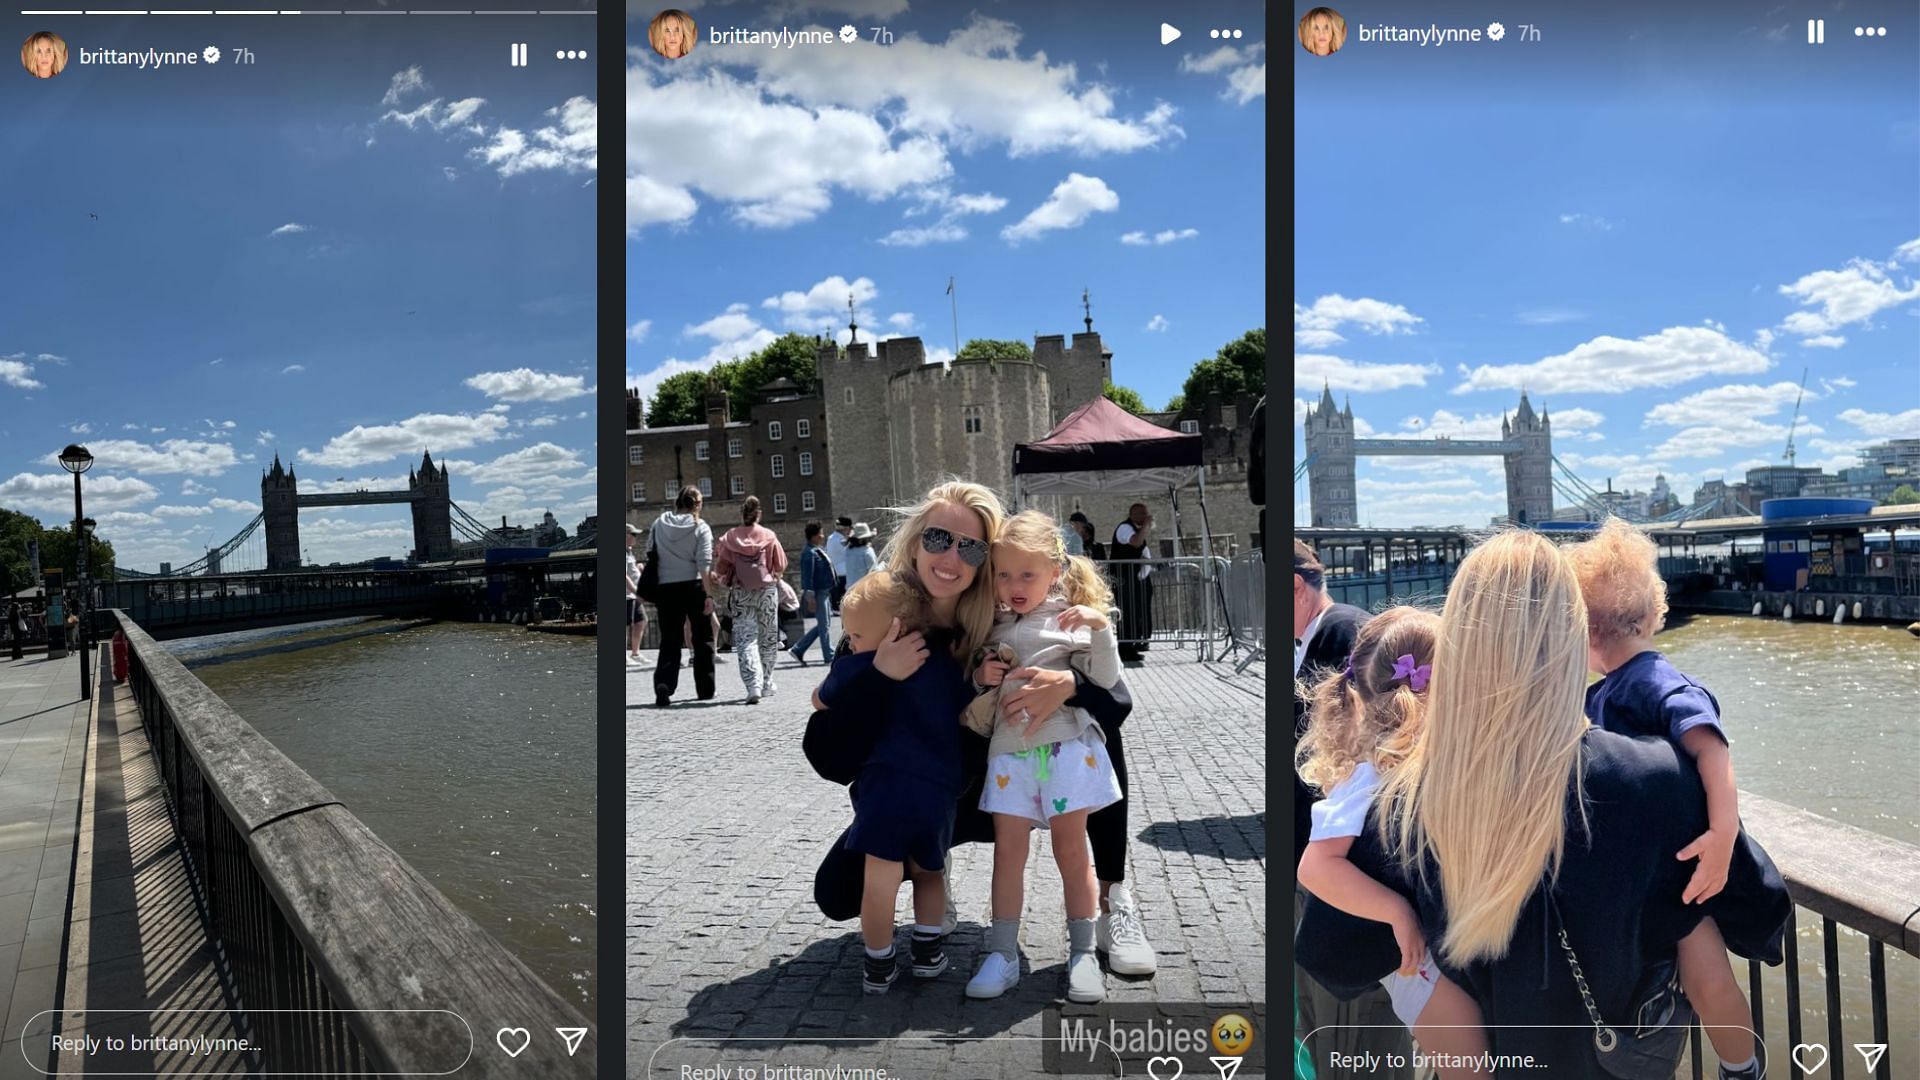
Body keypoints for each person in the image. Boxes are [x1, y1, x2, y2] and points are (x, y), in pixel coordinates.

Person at [1296, 531, 1790, 1079]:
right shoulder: (1654, 777)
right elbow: (1758, 909)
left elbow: (1334, 952)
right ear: (1572, 632)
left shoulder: (1401, 803)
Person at [802, 481, 1156, 978]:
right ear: (915, 541)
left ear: (985, 561)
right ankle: (931, 868)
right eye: (937, 538)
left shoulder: (1003, 619)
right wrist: (879, 677)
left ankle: (1113, 898)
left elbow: (1118, 702)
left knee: (1090, 727)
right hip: (915, 791)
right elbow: (827, 757)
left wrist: (1071, 684)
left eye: (969, 546)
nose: (950, 556)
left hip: (992, 776)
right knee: (838, 893)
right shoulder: (886, 617)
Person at [1568, 519, 1764, 1080]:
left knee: (1706, 976)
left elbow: (1712, 750)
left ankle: (1741, 1067)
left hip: (1675, 867)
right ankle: (1740, 1063)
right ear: (1653, 611)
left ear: (1585, 629)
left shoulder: (1655, 683)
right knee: (1701, 976)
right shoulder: (1611, 688)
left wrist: (1724, 835)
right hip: (1647, 869)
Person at [1296, 607, 1488, 1078]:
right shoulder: (1371, 777)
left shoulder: (1402, 767)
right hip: (1410, 962)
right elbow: (1315, 867)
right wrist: (1396, 912)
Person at [964, 511, 1124, 1003]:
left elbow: (1107, 679)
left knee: (1072, 853)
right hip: (1010, 754)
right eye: (1004, 574)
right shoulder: (990, 622)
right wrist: (980, 674)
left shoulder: (1071, 618)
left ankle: (1081, 952)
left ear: (1055, 572)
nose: (1014, 585)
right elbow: (976, 678)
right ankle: (1003, 952)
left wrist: (1100, 629)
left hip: (1066, 750)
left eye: (1027, 574)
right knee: (1008, 854)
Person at [812, 569, 967, 993]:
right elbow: (968, 708)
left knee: (879, 881)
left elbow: (819, 699)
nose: (852, 642)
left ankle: (879, 961)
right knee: (930, 872)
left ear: (892, 630)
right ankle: (928, 951)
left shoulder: (861, 665)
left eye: (856, 634)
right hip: (937, 792)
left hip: (885, 792)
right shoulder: (945, 666)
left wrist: (864, 671)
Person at [1291, 538, 1405, 1077]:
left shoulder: (1343, 635)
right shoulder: (1330, 634)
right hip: (1330, 873)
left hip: (1344, 885)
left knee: (1350, 1032)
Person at [713, 496, 788, 705]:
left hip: (741, 592)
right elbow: (780, 564)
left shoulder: (730, 538)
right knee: (768, 637)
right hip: (766, 591)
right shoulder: (769, 536)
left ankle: (752, 684)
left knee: (746, 639)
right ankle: (766, 681)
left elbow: (721, 568)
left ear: (742, 515)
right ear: (759, 514)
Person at [649, 486, 716, 707]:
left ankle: (664, 684)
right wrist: (709, 595)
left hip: (666, 587)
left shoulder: (659, 524)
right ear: (697, 505)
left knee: (670, 638)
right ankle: (705, 689)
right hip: (694, 585)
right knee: (702, 637)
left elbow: (651, 553)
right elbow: (704, 563)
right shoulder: (700, 527)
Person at [1110, 504, 1155, 661]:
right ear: (1134, 514)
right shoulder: (1125, 528)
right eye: (1143, 514)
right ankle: (1125, 648)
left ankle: (1133, 645)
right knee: (1127, 612)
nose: (1146, 517)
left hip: (1133, 577)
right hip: (1123, 577)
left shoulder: (1135, 529)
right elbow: (1135, 543)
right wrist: (1146, 527)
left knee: (1135, 612)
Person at [625, 523, 648, 665]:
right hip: (627, 594)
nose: (635, 537)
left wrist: (639, 568)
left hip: (633, 595)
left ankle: (635, 653)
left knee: (641, 621)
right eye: (633, 534)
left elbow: (631, 571)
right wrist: (636, 591)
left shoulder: (629, 551)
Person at [842, 522, 878, 594]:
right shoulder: (867, 551)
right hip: (863, 591)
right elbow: (874, 572)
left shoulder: (848, 550)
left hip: (849, 590)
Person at [826, 516, 853, 611]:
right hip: (844, 574)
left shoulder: (830, 538)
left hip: (834, 573)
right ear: (846, 528)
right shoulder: (842, 541)